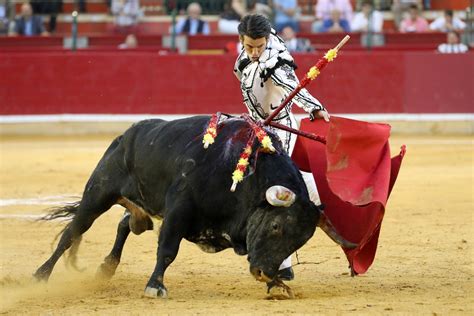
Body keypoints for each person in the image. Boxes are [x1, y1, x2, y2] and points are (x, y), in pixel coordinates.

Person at [234, 14, 329, 281]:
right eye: (249, 46)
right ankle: (318, 194)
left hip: (280, 131)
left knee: (276, 193)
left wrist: (315, 108)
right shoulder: (243, 56)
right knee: (263, 188)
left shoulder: (276, 60)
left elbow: (293, 86)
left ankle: (283, 264)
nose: (254, 52)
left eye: (259, 47)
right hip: (258, 128)